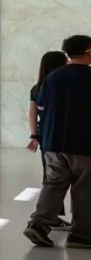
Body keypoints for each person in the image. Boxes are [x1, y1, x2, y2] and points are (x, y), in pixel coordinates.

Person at [25, 35, 91, 249]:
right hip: (83, 144)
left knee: (53, 184)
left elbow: (41, 109)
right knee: (84, 187)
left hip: (52, 143)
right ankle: (81, 234)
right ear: (88, 51)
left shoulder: (52, 78)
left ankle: (39, 224)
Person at [28, 49, 70, 228]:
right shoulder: (64, 86)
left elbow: (32, 113)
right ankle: (51, 217)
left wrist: (34, 136)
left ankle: (50, 216)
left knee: (51, 178)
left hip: (47, 137)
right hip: (67, 136)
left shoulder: (37, 88)